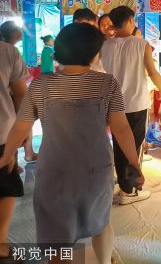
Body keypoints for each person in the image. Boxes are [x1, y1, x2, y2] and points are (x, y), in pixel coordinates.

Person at [0, 23, 143, 264]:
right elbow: (121, 128)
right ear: (94, 53)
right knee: (101, 222)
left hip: (54, 172)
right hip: (96, 170)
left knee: (57, 239)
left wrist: (7, 155)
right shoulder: (107, 83)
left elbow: (20, 126)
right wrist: (133, 161)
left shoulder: (40, 86)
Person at [101, 6, 161, 204]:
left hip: (114, 106)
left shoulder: (106, 46)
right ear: (130, 20)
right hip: (136, 103)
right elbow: (152, 72)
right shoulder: (141, 44)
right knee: (134, 148)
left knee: (119, 145)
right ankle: (130, 190)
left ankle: (124, 185)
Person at [0, 33, 28, 262]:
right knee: (6, 188)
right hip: (2, 133)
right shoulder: (8, 52)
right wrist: (21, 132)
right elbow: (21, 94)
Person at [0, 21, 37, 165]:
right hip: (3, 126)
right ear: (14, 33)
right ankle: (25, 155)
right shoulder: (9, 51)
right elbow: (20, 94)